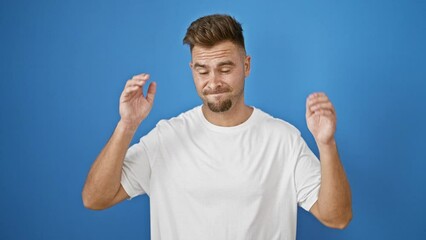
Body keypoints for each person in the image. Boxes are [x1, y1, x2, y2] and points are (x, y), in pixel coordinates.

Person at [82, 14, 352, 239]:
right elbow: (95, 198)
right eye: (202, 71)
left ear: (246, 66)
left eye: (225, 69)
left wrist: (327, 145)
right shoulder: (166, 138)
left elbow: (337, 218)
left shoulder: (283, 139)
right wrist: (127, 126)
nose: (213, 82)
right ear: (192, 70)